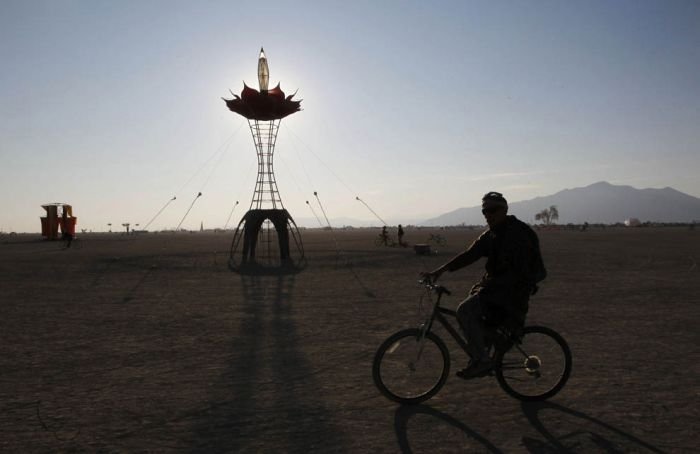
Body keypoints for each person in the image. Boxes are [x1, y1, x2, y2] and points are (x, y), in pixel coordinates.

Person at [424, 191, 546, 378]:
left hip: (511, 292)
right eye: (485, 212)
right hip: (496, 288)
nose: (488, 215)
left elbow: (524, 272)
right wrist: (440, 271)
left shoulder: (519, 233)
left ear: (504, 210)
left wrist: (495, 286)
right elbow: (469, 254)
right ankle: (484, 351)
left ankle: (482, 360)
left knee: (465, 310)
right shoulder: (492, 235)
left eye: (492, 210)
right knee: (473, 309)